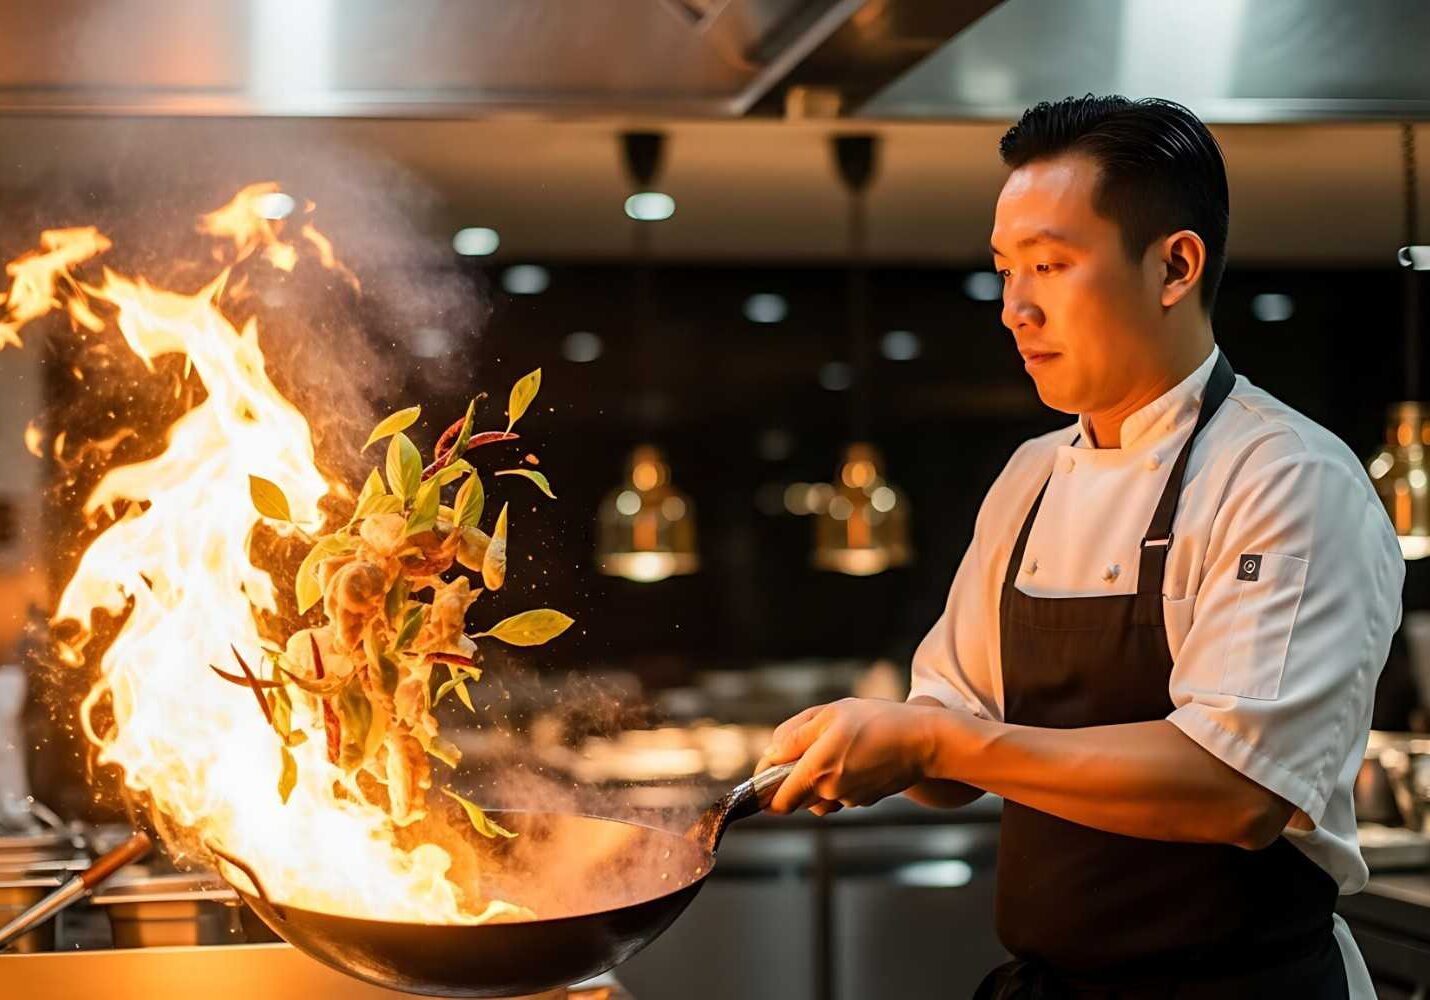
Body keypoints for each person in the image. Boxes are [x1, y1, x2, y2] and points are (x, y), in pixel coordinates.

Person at [756, 95, 1403, 998]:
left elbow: (1236, 790)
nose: (1015, 308)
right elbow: (954, 729)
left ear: (1175, 266)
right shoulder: (1030, 477)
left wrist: (931, 743)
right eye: (1005, 270)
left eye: (1050, 265)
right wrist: (871, 744)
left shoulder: (1287, 476)